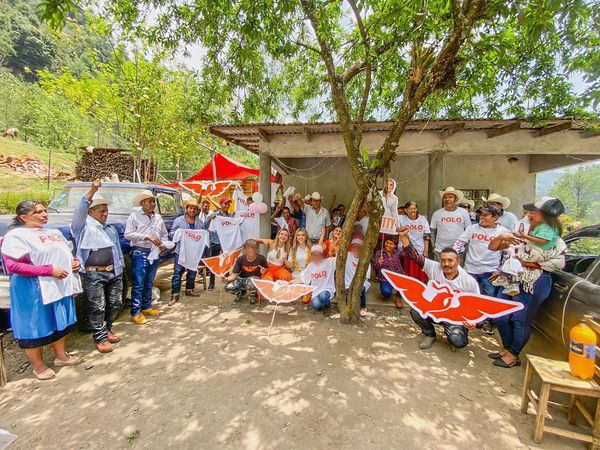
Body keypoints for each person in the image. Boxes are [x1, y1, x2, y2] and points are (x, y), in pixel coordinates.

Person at [1, 201, 84, 380]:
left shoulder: (53, 232)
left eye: (45, 210)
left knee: (59, 321)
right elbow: (13, 265)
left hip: (58, 285)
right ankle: (38, 365)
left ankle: (61, 356)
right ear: (24, 217)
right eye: (38, 212)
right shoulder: (16, 236)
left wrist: (74, 262)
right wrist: (48, 270)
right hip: (32, 288)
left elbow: (65, 252)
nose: (44, 214)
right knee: (34, 324)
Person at [488, 197, 565, 368]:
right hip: (512, 279)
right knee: (500, 314)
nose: (528, 215)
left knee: (520, 319)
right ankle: (507, 349)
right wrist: (503, 237)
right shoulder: (523, 233)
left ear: (543, 215)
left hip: (535, 281)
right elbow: (495, 248)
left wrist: (524, 262)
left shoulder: (554, 240)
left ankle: (513, 354)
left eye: (533, 212)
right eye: (528, 212)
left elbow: (557, 263)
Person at [398, 229, 479, 350]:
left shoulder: (469, 281)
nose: (446, 264)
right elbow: (414, 256)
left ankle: (454, 334)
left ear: (458, 261)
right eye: (443, 260)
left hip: (454, 315)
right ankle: (430, 334)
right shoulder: (434, 267)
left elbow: (476, 304)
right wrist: (404, 238)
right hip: (435, 309)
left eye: (450, 260)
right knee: (416, 311)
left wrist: (473, 321)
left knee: (459, 342)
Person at [72, 180, 124, 353]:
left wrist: (120, 269)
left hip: (113, 272)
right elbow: (79, 210)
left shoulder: (110, 229)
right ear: (90, 212)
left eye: (106, 211)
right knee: (97, 306)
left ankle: (107, 329)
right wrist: (92, 191)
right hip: (94, 274)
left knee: (115, 303)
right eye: (101, 211)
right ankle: (100, 337)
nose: (105, 214)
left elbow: (116, 250)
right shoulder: (83, 227)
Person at [453, 205, 509, 334]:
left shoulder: (503, 232)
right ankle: (468, 319)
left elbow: (508, 253)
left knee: (488, 298)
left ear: (495, 217)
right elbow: (459, 243)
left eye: (485, 215)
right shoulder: (472, 228)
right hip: (470, 269)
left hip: (490, 272)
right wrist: (455, 257)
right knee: (468, 296)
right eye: (480, 214)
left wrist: (499, 270)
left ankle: (487, 322)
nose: (481, 217)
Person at [124, 190, 168, 324]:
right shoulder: (134, 216)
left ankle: (147, 306)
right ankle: (135, 312)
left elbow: (164, 234)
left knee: (149, 281)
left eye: (153, 201)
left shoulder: (158, 217)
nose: (152, 204)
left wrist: (164, 244)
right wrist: (146, 236)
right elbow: (128, 234)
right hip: (140, 252)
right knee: (139, 283)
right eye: (149, 201)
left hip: (155, 252)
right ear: (142, 203)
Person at [168, 198, 204, 305]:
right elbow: (171, 234)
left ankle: (189, 290)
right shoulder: (179, 221)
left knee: (192, 272)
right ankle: (175, 295)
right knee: (177, 273)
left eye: (194, 208)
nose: (192, 210)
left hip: (193, 252)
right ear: (186, 208)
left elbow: (202, 236)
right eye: (190, 208)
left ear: (197, 210)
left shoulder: (200, 222)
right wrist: (179, 233)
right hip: (180, 251)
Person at [430, 187, 471, 261]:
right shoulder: (437, 214)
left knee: (457, 271)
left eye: (450, 197)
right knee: (439, 271)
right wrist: (433, 246)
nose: (447, 199)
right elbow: (433, 231)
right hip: (440, 250)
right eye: (445, 197)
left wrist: (465, 248)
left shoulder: (463, 212)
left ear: (456, 199)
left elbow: (468, 231)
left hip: (458, 250)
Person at [223, 239, 268, 304]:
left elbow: (266, 269)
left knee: (251, 281)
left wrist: (263, 271)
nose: (250, 250)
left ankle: (252, 295)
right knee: (227, 286)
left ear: (256, 249)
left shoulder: (261, 259)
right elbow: (234, 275)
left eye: (253, 248)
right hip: (242, 280)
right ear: (244, 249)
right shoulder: (240, 259)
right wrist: (226, 279)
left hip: (254, 281)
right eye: (248, 248)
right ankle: (240, 293)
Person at [205, 197, 234, 291]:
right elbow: (204, 226)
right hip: (215, 242)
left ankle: (227, 282)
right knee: (214, 262)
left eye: (228, 204)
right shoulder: (214, 215)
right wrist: (209, 219)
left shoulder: (230, 217)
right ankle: (212, 283)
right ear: (221, 204)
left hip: (226, 243)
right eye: (225, 203)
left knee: (226, 262)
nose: (227, 205)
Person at [398, 201, 430, 282]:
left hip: (419, 250)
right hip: (405, 250)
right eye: (410, 209)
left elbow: (427, 235)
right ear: (405, 210)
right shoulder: (400, 218)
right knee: (406, 272)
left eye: (415, 208)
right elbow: (394, 228)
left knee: (419, 273)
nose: (413, 210)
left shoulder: (423, 219)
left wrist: (426, 251)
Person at [299, 245, 336, 312]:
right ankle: (321, 303)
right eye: (314, 255)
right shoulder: (310, 266)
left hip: (327, 289)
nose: (316, 257)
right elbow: (304, 278)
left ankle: (328, 306)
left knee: (323, 296)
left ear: (322, 255)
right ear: (311, 256)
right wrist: (294, 282)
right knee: (317, 305)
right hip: (315, 291)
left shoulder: (329, 262)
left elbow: (339, 259)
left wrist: (336, 248)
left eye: (318, 254)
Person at [372, 236, 404, 308]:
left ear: (395, 245)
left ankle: (398, 297)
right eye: (387, 243)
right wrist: (378, 263)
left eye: (391, 244)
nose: (388, 245)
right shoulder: (379, 253)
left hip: (398, 277)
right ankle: (388, 288)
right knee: (386, 292)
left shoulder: (398, 253)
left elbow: (407, 253)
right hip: (385, 279)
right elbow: (375, 268)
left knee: (407, 284)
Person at [345, 238, 371, 316]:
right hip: (347, 282)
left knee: (360, 288)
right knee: (349, 291)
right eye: (354, 247)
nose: (356, 249)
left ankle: (363, 307)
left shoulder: (365, 258)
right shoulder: (346, 256)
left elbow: (366, 276)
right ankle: (349, 307)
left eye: (358, 247)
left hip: (361, 282)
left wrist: (357, 284)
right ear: (351, 248)